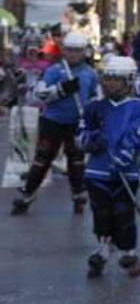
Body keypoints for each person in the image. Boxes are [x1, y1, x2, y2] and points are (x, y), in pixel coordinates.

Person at [11, 32, 99, 215]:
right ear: (64, 51)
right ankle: (28, 194)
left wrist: (93, 115)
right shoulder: (53, 71)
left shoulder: (90, 73)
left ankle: (78, 194)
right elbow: (37, 95)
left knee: (76, 160)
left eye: (77, 50)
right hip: (52, 121)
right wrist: (61, 90)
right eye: (70, 50)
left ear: (84, 52)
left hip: (76, 123)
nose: (73, 54)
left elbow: (95, 97)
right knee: (42, 158)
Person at [78, 56, 140, 278]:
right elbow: (80, 134)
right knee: (101, 214)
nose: (109, 83)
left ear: (129, 81)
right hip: (97, 171)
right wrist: (90, 140)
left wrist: (124, 157)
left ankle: (128, 252)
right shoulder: (94, 107)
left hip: (125, 173)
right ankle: (104, 248)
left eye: (115, 79)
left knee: (123, 213)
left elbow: (137, 136)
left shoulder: (137, 108)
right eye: (107, 78)